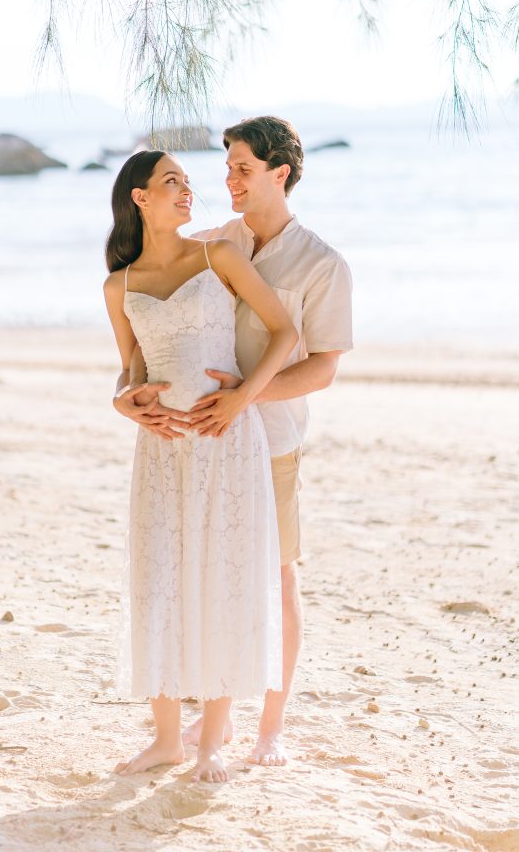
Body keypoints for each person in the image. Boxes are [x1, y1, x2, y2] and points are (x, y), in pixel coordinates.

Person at [114, 116, 353, 767]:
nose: (229, 181)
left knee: (275, 576)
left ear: (279, 174)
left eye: (242, 169)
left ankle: (269, 726)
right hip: (193, 443)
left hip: (269, 439)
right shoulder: (216, 241)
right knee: (202, 574)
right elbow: (155, 324)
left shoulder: (322, 265)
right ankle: (200, 721)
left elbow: (322, 366)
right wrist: (130, 394)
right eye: (225, 169)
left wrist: (241, 399)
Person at [103, 149, 298, 783]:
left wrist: (244, 395)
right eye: (173, 182)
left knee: (223, 579)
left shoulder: (220, 258)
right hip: (160, 452)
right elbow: (131, 371)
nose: (190, 191)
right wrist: (124, 403)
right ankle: (166, 740)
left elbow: (284, 333)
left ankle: (211, 742)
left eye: (189, 182)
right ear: (140, 198)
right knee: (159, 583)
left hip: (223, 441)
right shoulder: (120, 285)